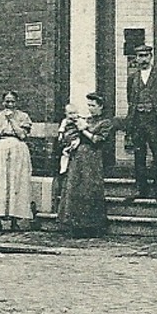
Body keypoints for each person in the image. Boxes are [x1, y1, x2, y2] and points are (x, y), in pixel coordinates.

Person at [55, 92, 113, 237]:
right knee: (75, 188)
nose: (90, 108)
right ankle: (75, 225)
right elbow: (69, 134)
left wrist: (84, 131)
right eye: (88, 105)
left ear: (101, 107)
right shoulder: (85, 119)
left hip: (92, 159)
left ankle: (91, 226)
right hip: (77, 159)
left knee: (89, 189)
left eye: (93, 106)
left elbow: (98, 140)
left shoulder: (105, 123)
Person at [123, 44, 157, 200]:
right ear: (136, 59)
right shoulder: (132, 78)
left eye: (146, 56)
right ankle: (142, 189)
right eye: (140, 56)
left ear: (151, 57)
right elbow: (130, 99)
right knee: (139, 156)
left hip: (155, 121)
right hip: (138, 121)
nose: (143, 59)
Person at [0, 90, 34, 232]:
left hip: (18, 149)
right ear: (3, 102)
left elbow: (23, 135)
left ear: (16, 103)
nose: (9, 104)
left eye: (12, 101)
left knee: (17, 183)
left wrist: (12, 120)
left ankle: (14, 221)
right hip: (0, 149)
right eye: (7, 101)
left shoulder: (23, 117)